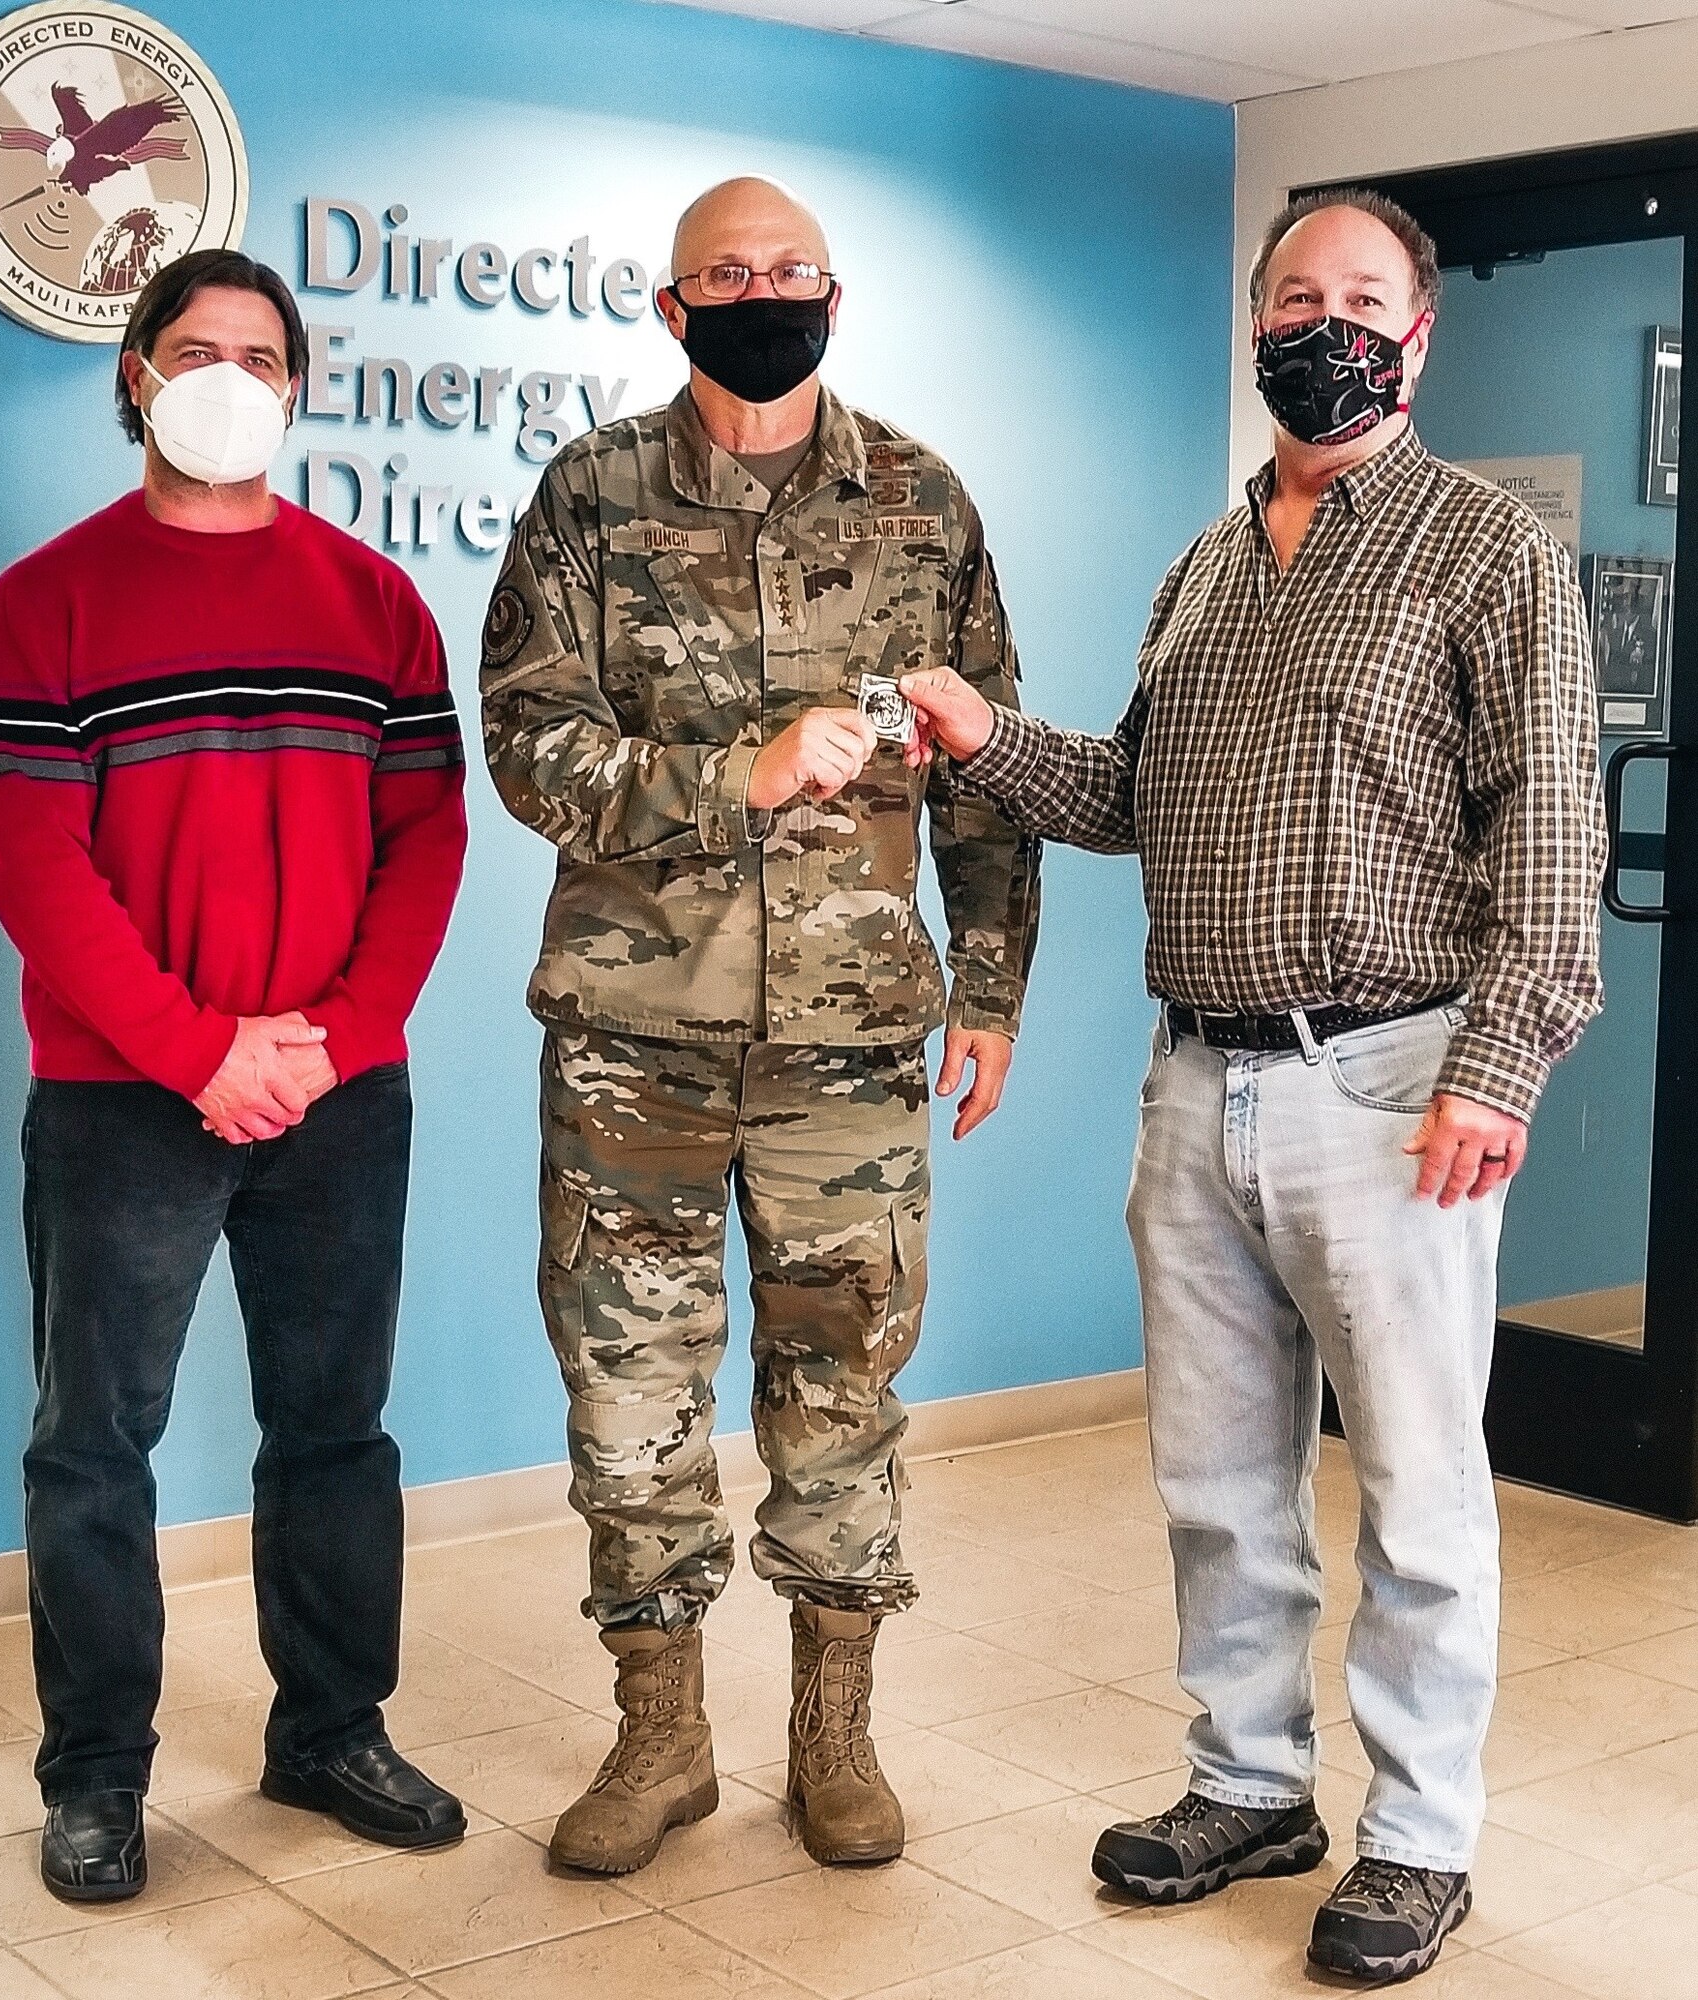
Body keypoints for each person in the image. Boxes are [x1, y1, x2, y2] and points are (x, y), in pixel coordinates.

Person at [898, 189, 1604, 1983]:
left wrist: (1496, 1062)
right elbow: (1139, 796)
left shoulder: (1482, 553)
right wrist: (989, 741)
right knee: (1218, 1483)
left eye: (1362, 297)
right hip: (1193, 1084)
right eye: (1296, 294)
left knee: (1420, 1496)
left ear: (1417, 334)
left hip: (1393, 1086)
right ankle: (1246, 1781)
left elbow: (1548, 834)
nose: (1326, 322)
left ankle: (1418, 1839)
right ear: (1256, 323)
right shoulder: (1202, 565)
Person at [480, 176, 1039, 1874]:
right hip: (630, 1039)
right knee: (630, 1388)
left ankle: (832, 1735)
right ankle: (659, 1741)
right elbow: (526, 747)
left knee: (841, 1387)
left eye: (789, 272)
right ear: (670, 306)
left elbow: (988, 764)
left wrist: (994, 987)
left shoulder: (924, 503)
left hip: (856, 1044)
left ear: (834, 295)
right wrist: (726, 773)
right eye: (728, 273)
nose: (761, 294)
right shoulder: (587, 496)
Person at [0, 249, 470, 1903]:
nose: (229, 377)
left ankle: (331, 1730)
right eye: (196, 350)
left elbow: (423, 835)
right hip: (123, 1102)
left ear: (299, 385)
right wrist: (199, 1053)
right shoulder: (41, 604)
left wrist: (328, 1038)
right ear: (133, 376)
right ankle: (97, 1775)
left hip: (339, 1092)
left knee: (335, 1432)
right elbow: (37, 869)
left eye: (262, 354)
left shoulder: (376, 603)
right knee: (93, 1447)